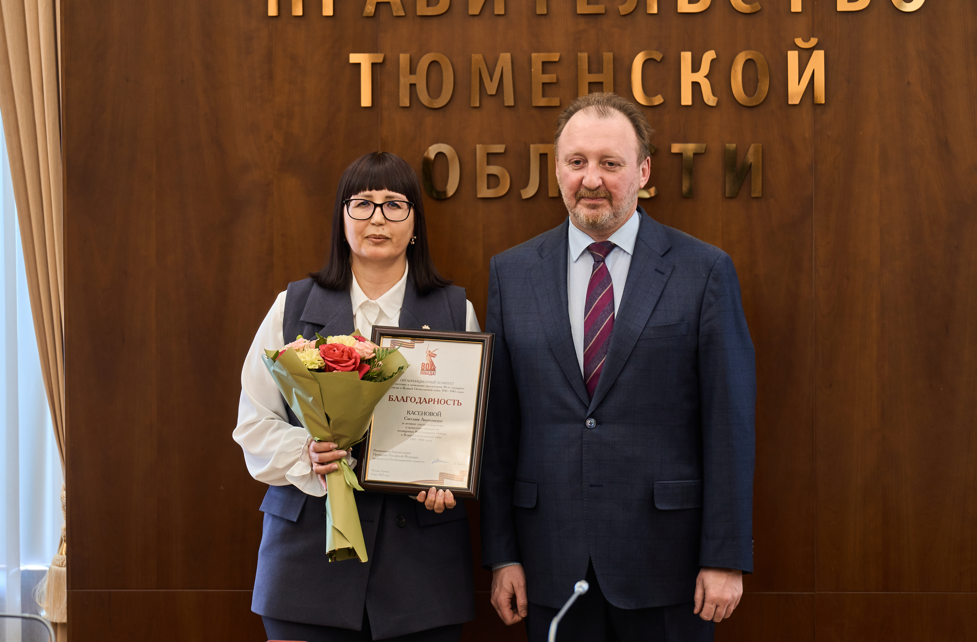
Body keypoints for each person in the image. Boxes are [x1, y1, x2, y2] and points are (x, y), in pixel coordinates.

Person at [480, 93, 756, 642]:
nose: (592, 179)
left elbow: (729, 425)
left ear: (643, 171)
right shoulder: (512, 274)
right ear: (557, 169)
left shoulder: (703, 271)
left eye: (610, 163)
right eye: (577, 161)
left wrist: (724, 557)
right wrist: (502, 554)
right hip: (549, 560)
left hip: (670, 566)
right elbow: (499, 430)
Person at [234, 152, 478, 642]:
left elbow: (468, 430)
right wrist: (306, 453)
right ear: (342, 218)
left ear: (415, 222)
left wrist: (448, 478)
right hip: (307, 562)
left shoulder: (455, 312)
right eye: (362, 203)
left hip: (420, 574)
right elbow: (253, 423)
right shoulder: (292, 307)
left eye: (394, 204)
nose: (377, 218)